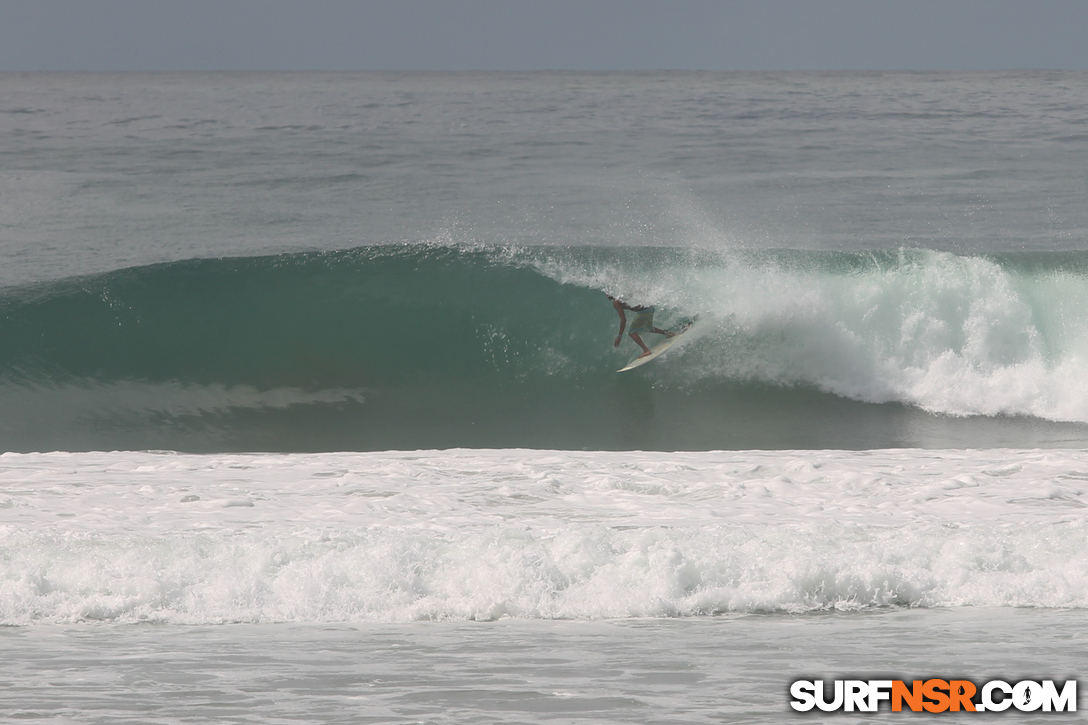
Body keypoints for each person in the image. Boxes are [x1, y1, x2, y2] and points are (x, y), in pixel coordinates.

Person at [608, 294, 675, 359]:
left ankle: (646, 351)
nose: (606, 295)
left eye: (607, 293)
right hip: (649, 307)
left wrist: (620, 336)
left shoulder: (616, 302)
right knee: (647, 328)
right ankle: (668, 333)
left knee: (632, 333)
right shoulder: (622, 295)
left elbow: (623, 320)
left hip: (644, 311)